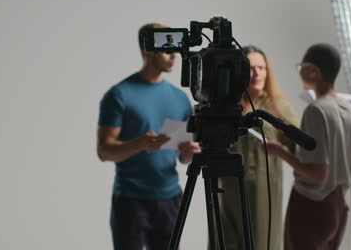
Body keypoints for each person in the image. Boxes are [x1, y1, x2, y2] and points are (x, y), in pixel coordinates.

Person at [97, 23, 200, 250]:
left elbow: (183, 157)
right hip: (131, 200)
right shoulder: (119, 95)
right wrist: (140, 143)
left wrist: (188, 154)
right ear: (147, 50)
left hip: (170, 199)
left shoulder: (180, 98)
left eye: (175, 49)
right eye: (166, 49)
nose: (174, 55)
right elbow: (104, 151)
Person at [265, 43, 351, 250]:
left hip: (312, 205)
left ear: (314, 71)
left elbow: (317, 174)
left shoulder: (316, 110)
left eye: (302, 67)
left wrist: (280, 151)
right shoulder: (349, 108)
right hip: (338, 205)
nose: (300, 72)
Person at [218, 46, 299, 250]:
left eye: (262, 68)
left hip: (264, 193)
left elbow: (299, 147)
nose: (257, 74)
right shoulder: (226, 106)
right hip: (227, 191)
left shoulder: (278, 106)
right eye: (251, 68)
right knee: (225, 242)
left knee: (262, 244)